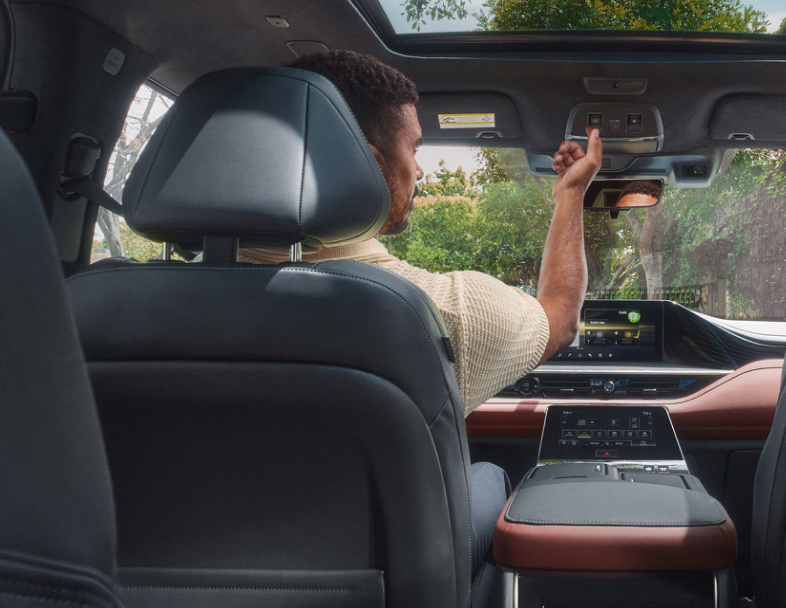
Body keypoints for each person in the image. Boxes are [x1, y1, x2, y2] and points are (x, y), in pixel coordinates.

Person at [236, 49, 600, 589]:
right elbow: (561, 316)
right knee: (491, 476)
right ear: (373, 165)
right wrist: (571, 195)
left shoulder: (102, 316)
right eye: (414, 148)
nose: (420, 169)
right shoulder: (438, 311)